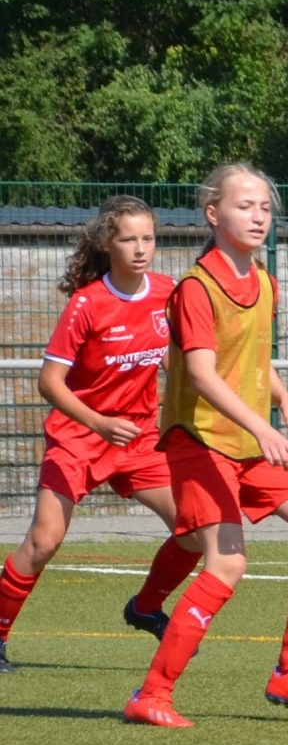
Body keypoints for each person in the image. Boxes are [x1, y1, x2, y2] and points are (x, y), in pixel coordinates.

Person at [124, 164, 288, 727]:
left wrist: (284, 399)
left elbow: (251, 358)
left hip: (249, 442)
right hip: (201, 441)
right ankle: (151, 695)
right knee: (227, 563)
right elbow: (203, 374)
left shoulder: (265, 282)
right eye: (244, 206)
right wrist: (263, 427)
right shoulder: (196, 288)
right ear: (213, 214)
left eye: (265, 208)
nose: (258, 217)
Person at [0, 198, 199, 673]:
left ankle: (145, 608)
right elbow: (49, 383)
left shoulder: (168, 292)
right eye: (128, 239)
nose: (140, 248)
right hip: (80, 437)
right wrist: (99, 423)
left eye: (148, 238)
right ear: (107, 243)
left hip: (139, 438)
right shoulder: (87, 303)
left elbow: (178, 354)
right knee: (44, 541)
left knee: (193, 531)